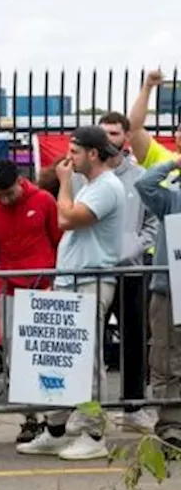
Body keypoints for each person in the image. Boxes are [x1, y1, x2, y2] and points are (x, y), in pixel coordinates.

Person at [17, 125, 125, 461]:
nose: (69, 157)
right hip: (73, 280)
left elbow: (67, 219)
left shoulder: (106, 186)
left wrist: (64, 184)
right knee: (63, 358)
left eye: (75, 151)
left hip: (91, 280)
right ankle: (56, 428)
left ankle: (94, 434)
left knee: (88, 360)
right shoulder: (93, 184)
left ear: (93, 153)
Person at [0, 159, 62, 443]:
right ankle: (29, 418)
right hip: (11, 291)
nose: (5, 200)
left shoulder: (45, 201)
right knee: (15, 358)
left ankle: (53, 417)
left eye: (9, 193)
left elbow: (60, 242)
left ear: (21, 181)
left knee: (50, 356)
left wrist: (61, 284)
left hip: (46, 288)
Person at [80, 112, 156, 433]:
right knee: (87, 342)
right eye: (104, 132)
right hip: (93, 271)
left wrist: (132, 248)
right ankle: (89, 411)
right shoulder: (80, 176)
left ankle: (133, 406)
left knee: (133, 336)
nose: (109, 138)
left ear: (126, 136)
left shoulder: (140, 177)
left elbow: (153, 224)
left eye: (114, 132)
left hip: (129, 271)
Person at [135, 153, 181, 448]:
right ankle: (171, 425)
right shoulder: (172, 197)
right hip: (168, 289)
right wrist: (174, 163)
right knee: (166, 357)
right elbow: (144, 183)